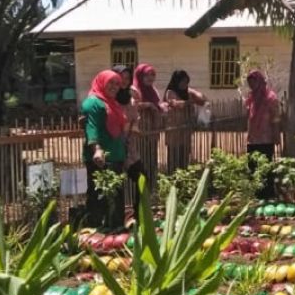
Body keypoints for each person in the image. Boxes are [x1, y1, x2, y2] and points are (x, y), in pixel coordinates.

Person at [81, 69, 129, 228]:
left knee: (115, 195)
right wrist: (97, 149)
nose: (115, 86)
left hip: (116, 155)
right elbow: (92, 127)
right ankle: (96, 232)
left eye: (117, 83)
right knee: (99, 195)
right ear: (102, 82)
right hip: (101, 158)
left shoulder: (112, 102)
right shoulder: (93, 102)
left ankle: (115, 230)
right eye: (111, 82)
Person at [245, 70, 281, 198]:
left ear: (259, 81)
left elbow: (276, 118)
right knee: (253, 166)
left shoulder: (270, 98)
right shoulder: (251, 98)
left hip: (266, 138)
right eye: (249, 83)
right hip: (253, 139)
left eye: (253, 82)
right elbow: (250, 118)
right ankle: (255, 194)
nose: (251, 85)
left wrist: (276, 135)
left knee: (266, 167)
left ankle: (267, 195)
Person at [164, 70, 209, 172]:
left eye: (186, 82)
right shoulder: (170, 92)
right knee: (174, 157)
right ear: (176, 81)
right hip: (174, 131)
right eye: (182, 82)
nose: (184, 85)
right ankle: (173, 177)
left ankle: (183, 177)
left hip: (185, 132)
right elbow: (175, 104)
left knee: (184, 156)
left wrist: (195, 93)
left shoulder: (188, 92)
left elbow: (203, 99)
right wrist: (189, 102)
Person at [132, 63, 166, 196]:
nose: (150, 78)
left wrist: (161, 106)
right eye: (147, 75)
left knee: (151, 158)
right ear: (140, 75)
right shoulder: (134, 89)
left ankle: (152, 188)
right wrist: (149, 105)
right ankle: (140, 189)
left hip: (152, 130)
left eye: (153, 75)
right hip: (140, 131)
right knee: (140, 158)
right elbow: (132, 105)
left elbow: (157, 103)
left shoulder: (153, 90)